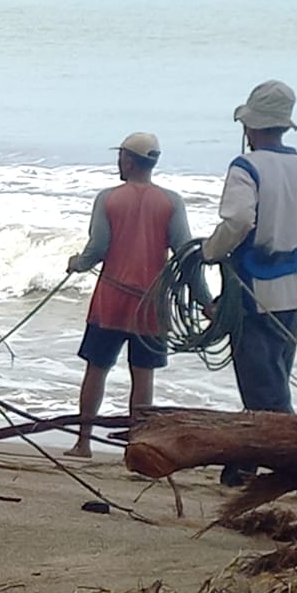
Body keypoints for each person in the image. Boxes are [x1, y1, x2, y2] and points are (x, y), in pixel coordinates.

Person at [201, 80, 297, 487]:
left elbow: (239, 221)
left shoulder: (246, 168)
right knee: (272, 381)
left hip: (250, 292)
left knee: (266, 394)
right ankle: (247, 464)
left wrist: (211, 252)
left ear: (250, 127)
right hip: (291, 295)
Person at [63, 132, 200, 457]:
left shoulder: (108, 198)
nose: (118, 162)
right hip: (151, 305)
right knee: (143, 376)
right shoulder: (171, 201)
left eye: (121, 156)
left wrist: (78, 264)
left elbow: (98, 247)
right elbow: (185, 253)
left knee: (97, 369)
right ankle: (137, 447)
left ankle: (83, 443)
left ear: (127, 159)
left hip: (111, 300)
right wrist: (205, 301)